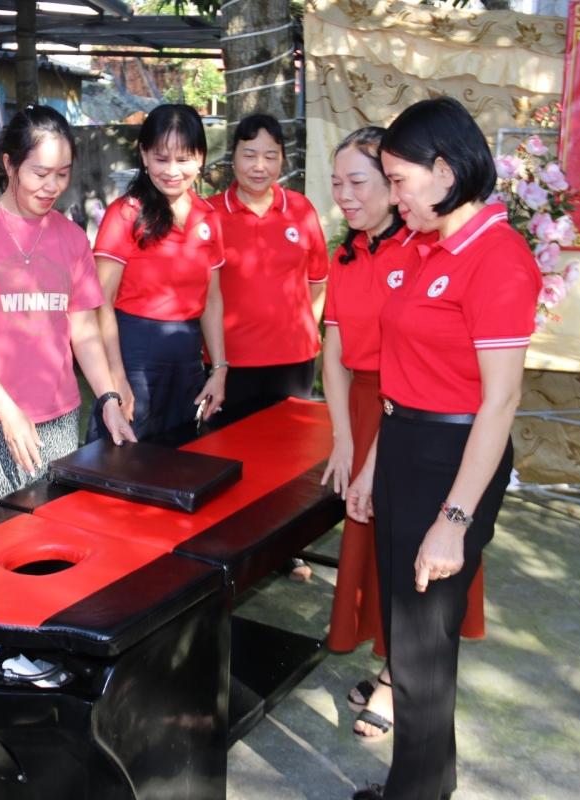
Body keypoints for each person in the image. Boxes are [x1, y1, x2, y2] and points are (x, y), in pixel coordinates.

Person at [345, 97, 541, 800]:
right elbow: (401, 378)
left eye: (399, 180)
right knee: (409, 637)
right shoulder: (423, 246)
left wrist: (454, 520)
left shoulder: (498, 257)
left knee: (424, 645)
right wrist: (371, 466)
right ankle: (427, 785)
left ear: (445, 170)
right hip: (403, 443)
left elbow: (501, 401)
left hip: (453, 458)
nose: (393, 195)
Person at [321, 127, 487, 743]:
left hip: (409, 413)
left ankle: (399, 678)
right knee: (377, 552)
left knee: (415, 557)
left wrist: (369, 447)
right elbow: (333, 352)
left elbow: (415, 362)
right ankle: (391, 664)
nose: (345, 194)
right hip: (360, 412)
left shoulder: (422, 252)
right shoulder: (346, 254)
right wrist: (343, 438)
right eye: (336, 183)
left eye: (359, 181)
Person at [0, 105, 135, 504]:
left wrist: (108, 399)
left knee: (58, 519)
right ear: (9, 163)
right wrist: (8, 411)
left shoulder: (72, 238)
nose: (52, 187)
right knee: (7, 526)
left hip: (59, 411)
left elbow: (84, 331)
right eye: (40, 173)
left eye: (62, 174)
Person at [206, 113, 328, 581]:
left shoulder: (301, 210)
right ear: (232, 156)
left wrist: (302, 327)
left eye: (271, 156)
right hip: (230, 363)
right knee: (227, 457)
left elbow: (318, 280)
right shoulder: (209, 213)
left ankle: (285, 546)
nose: (260, 166)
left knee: (288, 461)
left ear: (283, 160)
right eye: (250, 154)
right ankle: (232, 547)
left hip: (292, 361)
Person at [87, 104, 227, 443]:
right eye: (161, 158)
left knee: (181, 458)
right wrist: (117, 379)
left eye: (184, 159)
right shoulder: (126, 213)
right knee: (123, 459)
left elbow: (211, 299)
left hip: (188, 359)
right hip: (134, 354)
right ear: (144, 154)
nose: (172, 171)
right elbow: (100, 302)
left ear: (201, 157)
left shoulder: (209, 216)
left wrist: (219, 368)